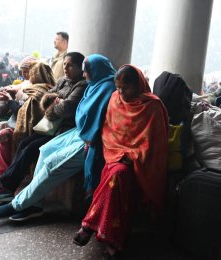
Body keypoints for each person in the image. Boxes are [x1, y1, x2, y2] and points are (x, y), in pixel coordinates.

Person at [0, 54, 116, 221]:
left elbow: (75, 110)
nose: (84, 75)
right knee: (44, 150)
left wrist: (59, 102)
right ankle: (34, 204)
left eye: (86, 71)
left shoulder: (107, 88)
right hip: (79, 130)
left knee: (52, 163)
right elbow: (79, 113)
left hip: (91, 139)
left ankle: (16, 205)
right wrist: (58, 102)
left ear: (97, 70)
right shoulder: (94, 85)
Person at [72, 65, 169, 258]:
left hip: (142, 162)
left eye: (126, 88)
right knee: (117, 175)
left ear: (138, 85)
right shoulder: (115, 99)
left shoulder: (152, 105)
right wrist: (120, 154)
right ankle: (111, 237)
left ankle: (89, 226)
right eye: (118, 88)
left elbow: (156, 143)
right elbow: (110, 132)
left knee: (118, 175)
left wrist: (133, 156)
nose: (122, 92)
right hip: (115, 154)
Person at [0, 52, 88, 203]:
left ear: (81, 68)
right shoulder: (62, 81)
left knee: (31, 149)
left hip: (63, 131)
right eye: (65, 64)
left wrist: (54, 102)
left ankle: (4, 185)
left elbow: (66, 108)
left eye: (70, 65)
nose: (66, 68)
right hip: (51, 128)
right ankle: (5, 183)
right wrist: (55, 101)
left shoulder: (81, 85)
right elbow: (48, 98)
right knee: (24, 143)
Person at [0, 62, 54, 184]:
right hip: (21, 122)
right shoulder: (32, 87)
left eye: (29, 72)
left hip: (31, 127)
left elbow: (25, 112)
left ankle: (1, 174)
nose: (25, 75)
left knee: (3, 134)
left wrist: (11, 99)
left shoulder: (38, 91)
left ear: (36, 74)